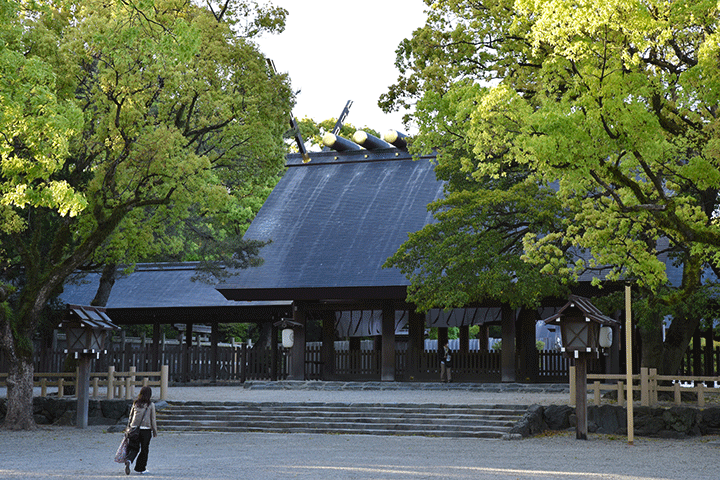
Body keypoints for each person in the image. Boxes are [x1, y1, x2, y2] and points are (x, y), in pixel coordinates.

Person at [124, 386, 158, 475]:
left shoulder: (135, 403)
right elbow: (153, 419)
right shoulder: (150, 405)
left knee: (133, 447)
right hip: (145, 429)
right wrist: (154, 431)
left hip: (134, 428)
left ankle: (129, 460)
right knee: (144, 449)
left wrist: (128, 428)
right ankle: (141, 468)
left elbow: (130, 417)